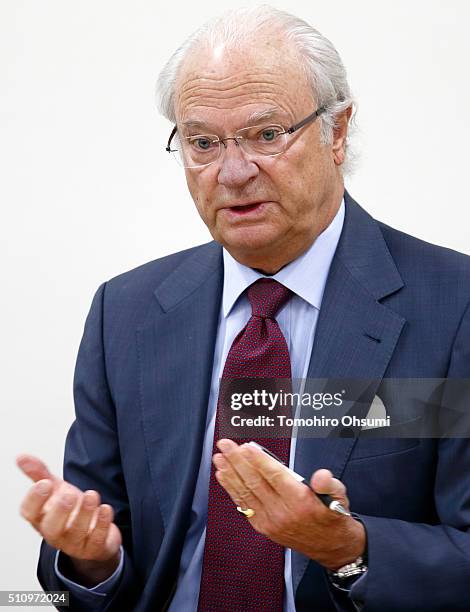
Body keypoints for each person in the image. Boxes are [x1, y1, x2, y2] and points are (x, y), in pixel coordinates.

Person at [17, 6, 470, 611]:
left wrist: (348, 548)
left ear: (337, 132)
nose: (232, 171)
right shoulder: (124, 313)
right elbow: (99, 541)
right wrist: (93, 556)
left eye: (266, 134)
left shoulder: (455, 305)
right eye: (203, 142)